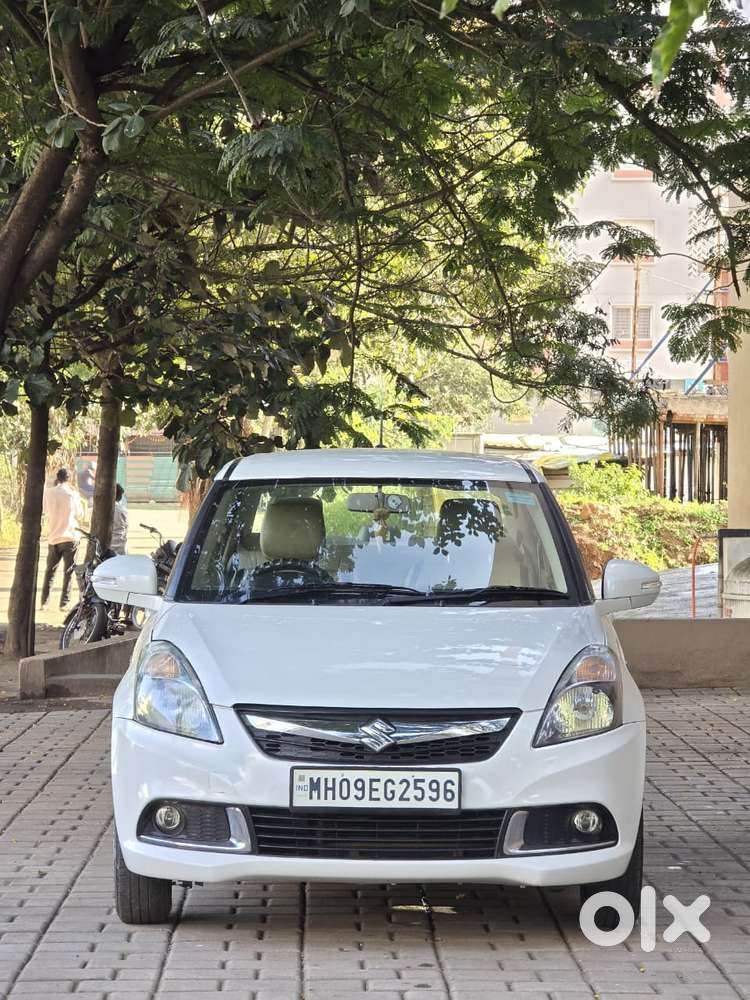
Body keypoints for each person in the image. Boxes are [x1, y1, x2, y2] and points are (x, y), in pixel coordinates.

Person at [41, 468, 85, 611]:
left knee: (50, 571)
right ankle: (64, 604)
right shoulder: (73, 494)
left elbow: (45, 511)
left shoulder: (48, 492)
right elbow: (80, 514)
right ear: (69, 479)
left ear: (58, 478)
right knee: (68, 571)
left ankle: (44, 603)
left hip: (54, 537)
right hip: (70, 536)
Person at [111, 484, 128, 555]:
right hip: (120, 546)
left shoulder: (101, 509)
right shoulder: (122, 510)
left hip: (110, 547)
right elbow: (125, 527)